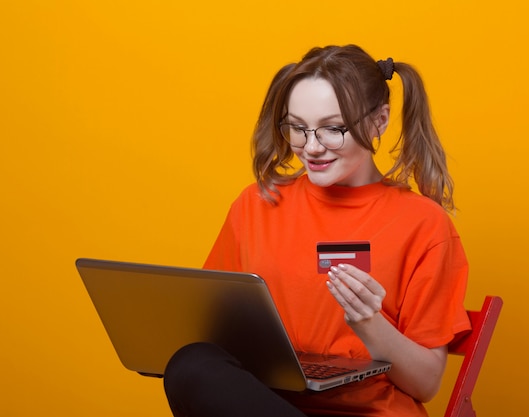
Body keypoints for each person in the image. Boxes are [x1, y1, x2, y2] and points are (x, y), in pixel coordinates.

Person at [163, 44, 470, 417]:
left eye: (332, 129)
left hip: (370, 411)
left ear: (379, 121)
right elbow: (210, 330)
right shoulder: (256, 205)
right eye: (298, 128)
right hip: (267, 404)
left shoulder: (424, 224)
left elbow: (426, 384)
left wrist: (370, 324)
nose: (311, 147)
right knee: (191, 363)